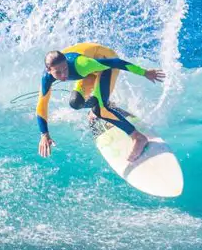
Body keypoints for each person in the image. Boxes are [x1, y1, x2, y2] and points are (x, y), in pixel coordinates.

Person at [36, 42, 165, 161]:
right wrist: (44, 134)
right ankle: (103, 103)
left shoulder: (82, 64)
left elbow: (116, 62)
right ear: (48, 70)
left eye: (65, 69)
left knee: (100, 111)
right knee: (75, 103)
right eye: (58, 72)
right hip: (89, 71)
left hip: (106, 64)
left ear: (66, 62)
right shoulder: (46, 78)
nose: (64, 75)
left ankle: (138, 137)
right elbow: (41, 106)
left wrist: (144, 72)